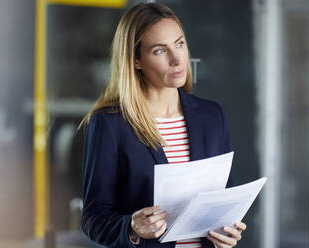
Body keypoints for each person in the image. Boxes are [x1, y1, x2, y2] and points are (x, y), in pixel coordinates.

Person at [81, 3, 246, 248]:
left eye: (179, 44)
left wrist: (229, 232)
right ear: (136, 60)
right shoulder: (110, 123)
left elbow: (224, 202)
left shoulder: (212, 117)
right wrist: (131, 228)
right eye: (160, 51)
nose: (177, 59)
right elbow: (94, 218)